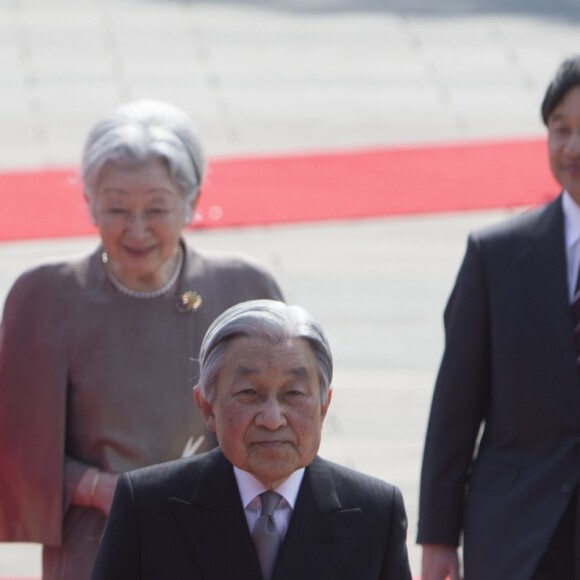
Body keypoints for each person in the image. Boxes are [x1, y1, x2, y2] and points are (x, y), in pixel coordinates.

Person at [0, 100, 284, 580]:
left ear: (191, 203)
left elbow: (287, 424)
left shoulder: (243, 289)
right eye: (116, 208)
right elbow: (15, 448)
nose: (136, 229)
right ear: (89, 201)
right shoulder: (46, 296)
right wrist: (97, 488)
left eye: (156, 208)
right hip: (99, 542)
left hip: (218, 534)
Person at [91, 299, 412, 580]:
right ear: (206, 406)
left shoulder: (374, 513)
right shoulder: (148, 507)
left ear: (324, 405)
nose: (272, 419)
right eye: (248, 393)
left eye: (294, 394)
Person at [417, 55, 580, 579]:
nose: (573, 148)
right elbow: (455, 405)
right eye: (561, 130)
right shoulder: (498, 255)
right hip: (517, 534)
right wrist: (439, 536)